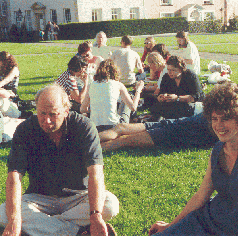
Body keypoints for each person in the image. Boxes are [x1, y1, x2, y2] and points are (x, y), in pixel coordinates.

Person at [149, 82, 238, 235]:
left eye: (225, 118)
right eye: (214, 118)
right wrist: (171, 226)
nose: (219, 125)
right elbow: (201, 196)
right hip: (204, 221)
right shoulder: (218, 149)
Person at [0, 84, 119, 235]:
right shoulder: (25, 130)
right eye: (42, 113)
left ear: (66, 111)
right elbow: (14, 178)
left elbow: (96, 174)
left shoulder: (84, 127)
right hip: (39, 198)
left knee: (110, 205)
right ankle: (77, 232)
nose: (47, 120)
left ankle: (43, 224)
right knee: (3, 214)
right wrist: (15, 219)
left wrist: (95, 215)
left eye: (53, 114)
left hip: (77, 196)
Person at [80, 59, 144, 132]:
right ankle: (133, 120)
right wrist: (138, 90)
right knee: (128, 100)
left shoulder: (91, 85)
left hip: (95, 126)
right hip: (114, 126)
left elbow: (82, 109)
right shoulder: (118, 85)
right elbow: (133, 107)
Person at [99, 113, 218, 151]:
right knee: (122, 135)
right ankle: (86, 145)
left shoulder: (209, 113)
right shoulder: (217, 122)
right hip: (172, 130)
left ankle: (84, 143)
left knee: (122, 132)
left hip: (171, 126)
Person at [149, 55, 204, 119]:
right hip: (174, 103)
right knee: (154, 104)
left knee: (182, 108)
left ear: (181, 69)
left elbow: (195, 97)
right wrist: (161, 97)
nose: (169, 72)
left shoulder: (190, 76)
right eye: (168, 69)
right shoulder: (166, 77)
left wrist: (177, 98)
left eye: (173, 70)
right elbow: (161, 92)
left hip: (190, 104)